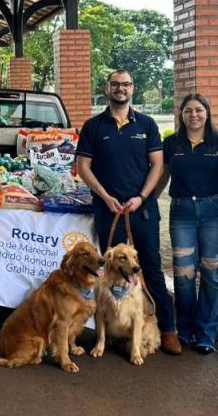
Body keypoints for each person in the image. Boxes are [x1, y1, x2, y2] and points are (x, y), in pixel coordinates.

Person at [76, 69, 182, 355]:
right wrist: (105, 196)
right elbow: (83, 167)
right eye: (115, 84)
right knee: (110, 270)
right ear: (107, 88)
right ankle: (109, 329)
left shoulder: (146, 124)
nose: (120, 89)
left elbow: (157, 165)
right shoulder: (93, 126)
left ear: (133, 88)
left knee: (151, 268)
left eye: (126, 84)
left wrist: (141, 197)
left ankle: (168, 329)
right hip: (108, 211)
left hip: (141, 211)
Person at [155, 93, 218, 354]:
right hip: (182, 212)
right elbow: (162, 176)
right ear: (181, 115)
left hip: (215, 211)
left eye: (199, 110)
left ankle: (207, 333)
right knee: (183, 273)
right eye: (188, 111)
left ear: (207, 113)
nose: (194, 115)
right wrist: (148, 202)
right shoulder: (171, 143)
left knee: (211, 271)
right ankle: (185, 330)